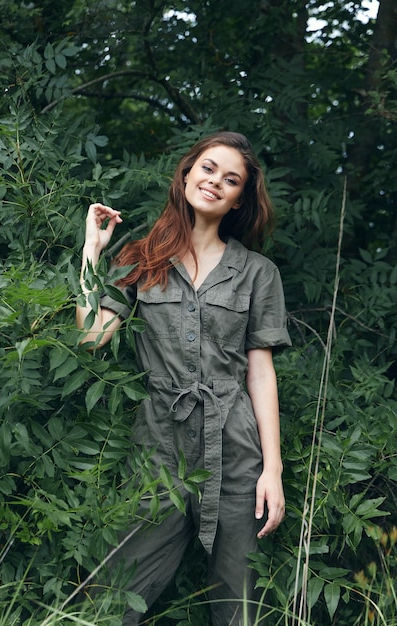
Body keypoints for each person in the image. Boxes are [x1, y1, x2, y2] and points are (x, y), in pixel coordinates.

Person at [76, 131, 291, 625]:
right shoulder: (139, 257)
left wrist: (272, 471)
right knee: (112, 601)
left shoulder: (257, 272)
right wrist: (93, 250)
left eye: (231, 179)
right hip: (157, 449)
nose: (216, 182)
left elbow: (260, 374)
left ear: (240, 199)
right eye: (209, 168)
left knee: (238, 610)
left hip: (236, 453)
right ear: (187, 172)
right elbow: (90, 339)